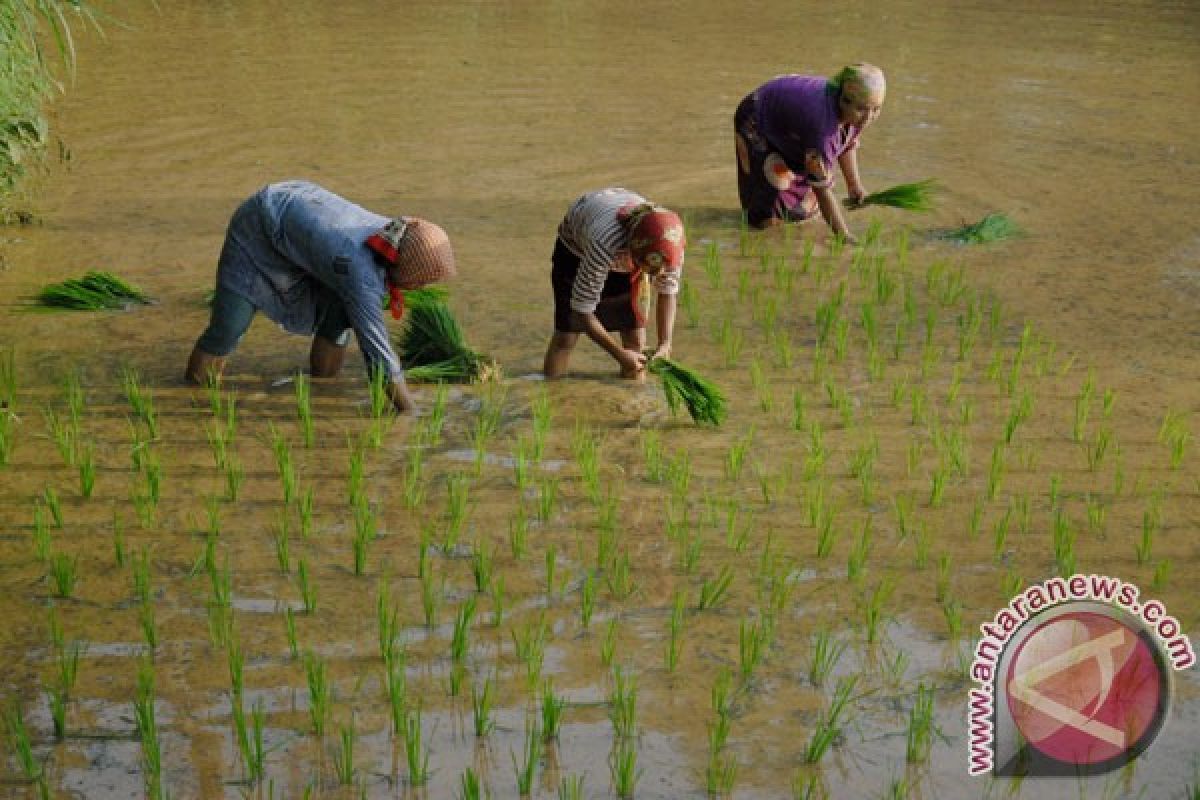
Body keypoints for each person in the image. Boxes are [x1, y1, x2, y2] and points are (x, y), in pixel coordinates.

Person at [184, 180, 456, 413]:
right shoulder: (359, 270)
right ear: (406, 266)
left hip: (302, 223)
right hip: (259, 225)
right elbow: (378, 353)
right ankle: (192, 399)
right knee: (229, 326)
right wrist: (410, 412)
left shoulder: (393, 238)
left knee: (340, 315)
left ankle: (322, 387)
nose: (421, 287)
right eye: (421, 279)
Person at [542, 188, 686, 380]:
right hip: (576, 249)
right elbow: (582, 310)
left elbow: (668, 293)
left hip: (629, 244)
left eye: (661, 268)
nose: (658, 274)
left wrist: (665, 344)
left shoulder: (671, 242)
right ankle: (552, 392)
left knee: (635, 339)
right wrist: (617, 353)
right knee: (566, 336)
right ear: (633, 252)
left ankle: (634, 403)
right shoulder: (605, 243)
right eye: (649, 268)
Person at [734, 63, 886, 241]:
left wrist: (854, 185)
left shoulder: (854, 115)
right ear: (843, 100)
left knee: (804, 210)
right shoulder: (822, 127)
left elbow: (847, 143)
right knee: (769, 207)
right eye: (862, 109)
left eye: (876, 109)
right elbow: (821, 188)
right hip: (757, 117)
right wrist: (843, 235)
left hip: (790, 121)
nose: (868, 118)